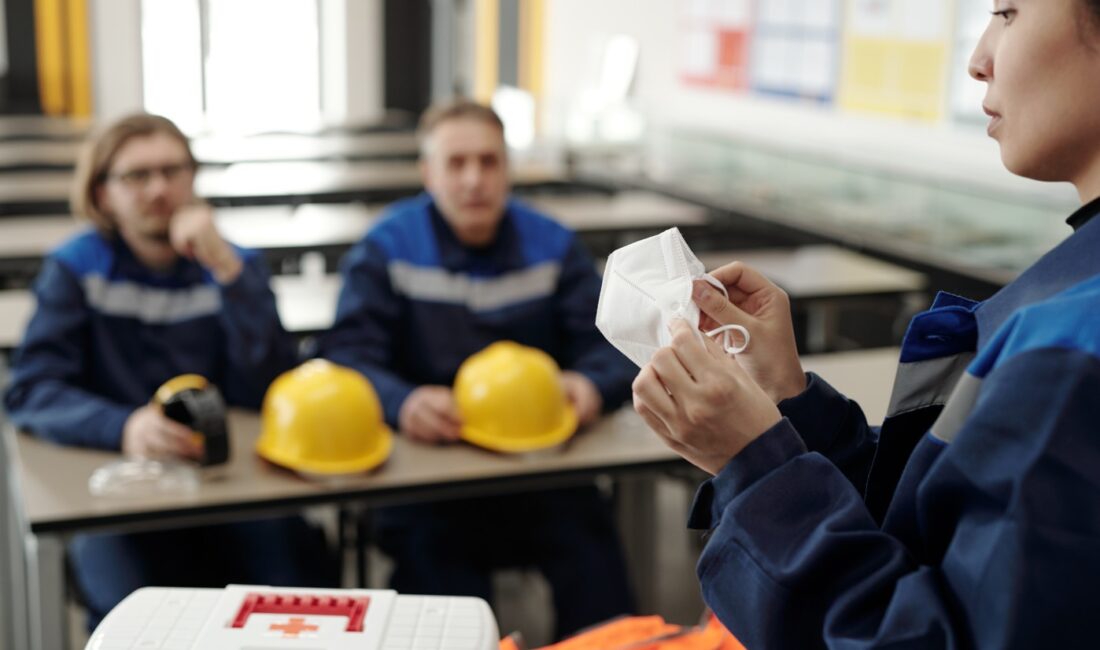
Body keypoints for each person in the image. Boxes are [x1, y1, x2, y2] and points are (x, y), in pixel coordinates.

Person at [633, 0, 1100, 646]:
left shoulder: (1079, 334)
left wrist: (756, 465)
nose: (978, 59)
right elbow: (936, 527)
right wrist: (789, 400)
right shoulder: (1073, 286)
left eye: (1010, 13)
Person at [317, 99, 635, 638]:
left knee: (595, 567)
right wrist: (402, 402)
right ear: (427, 174)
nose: (473, 180)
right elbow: (345, 356)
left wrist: (591, 384)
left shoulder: (551, 244)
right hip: (429, 479)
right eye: (456, 163)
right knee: (448, 604)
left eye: (489, 162)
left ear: (508, 169)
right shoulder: (386, 248)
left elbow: (613, 344)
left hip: (539, 470)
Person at [3, 113, 335, 628]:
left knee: (298, 601)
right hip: (116, 494)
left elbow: (272, 383)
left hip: (230, 484)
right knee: (134, 622)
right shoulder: (75, 269)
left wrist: (229, 273)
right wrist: (125, 426)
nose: (159, 189)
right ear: (102, 194)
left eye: (173, 171)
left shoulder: (232, 263)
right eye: (137, 176)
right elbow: (32, 391)